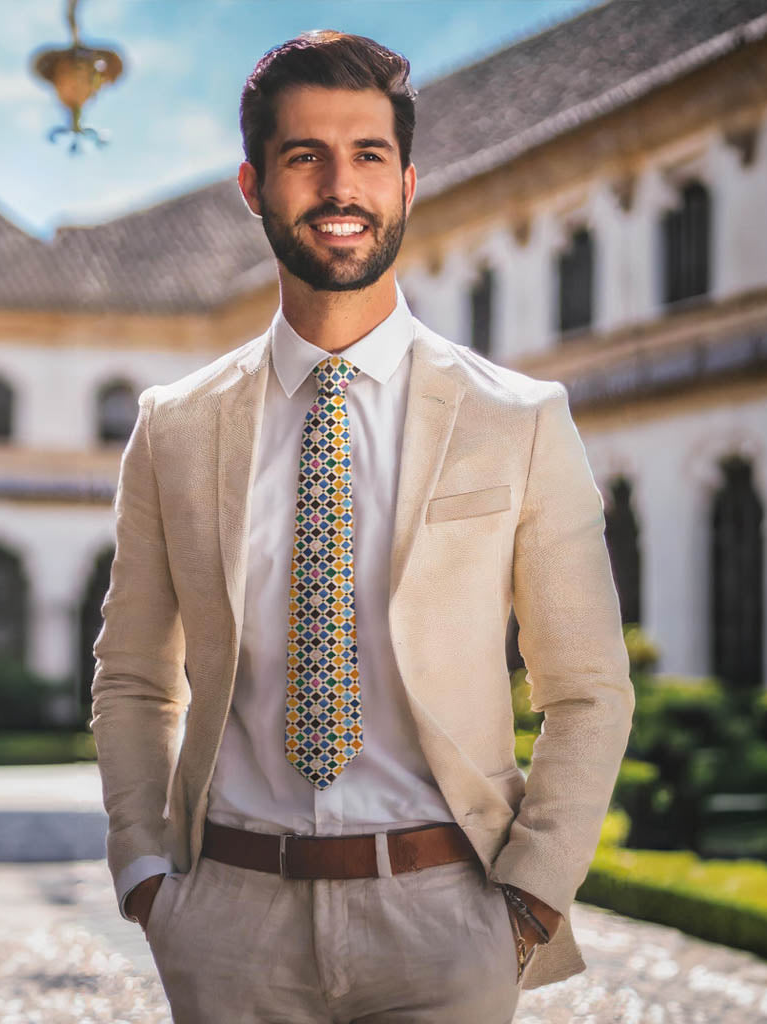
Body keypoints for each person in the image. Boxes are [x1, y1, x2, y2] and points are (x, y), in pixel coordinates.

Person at [91, 29, 635, 1023]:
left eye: (368, 156)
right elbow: (133, 678)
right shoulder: (174, 427)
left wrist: (527, 899)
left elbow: (588, 688)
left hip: (444, 922)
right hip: (229, 929)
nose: (340, 187)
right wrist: (145, 874)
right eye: (305, 156)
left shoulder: (517, 419)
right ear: (253, 185)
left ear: (407, 182)